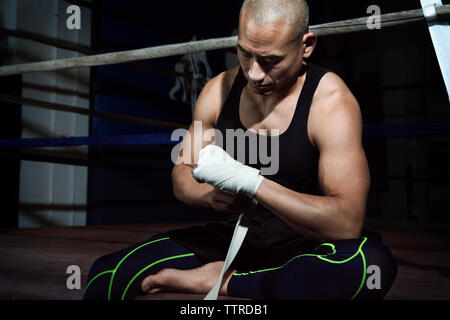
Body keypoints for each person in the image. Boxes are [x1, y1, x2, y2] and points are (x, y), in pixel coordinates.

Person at [83, 0, 397, 300]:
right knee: (107, 274)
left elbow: (345, 222)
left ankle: (224, 281)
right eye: (245, 54)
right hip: (235, 238)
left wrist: (252, 183)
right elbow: (182, 176)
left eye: (271, 60)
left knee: (370, 267)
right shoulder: (217, 91)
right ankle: (246, 278)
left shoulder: (330, 102)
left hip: (307, 246)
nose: (255, 73)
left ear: (306, 46)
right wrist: (209, 196)